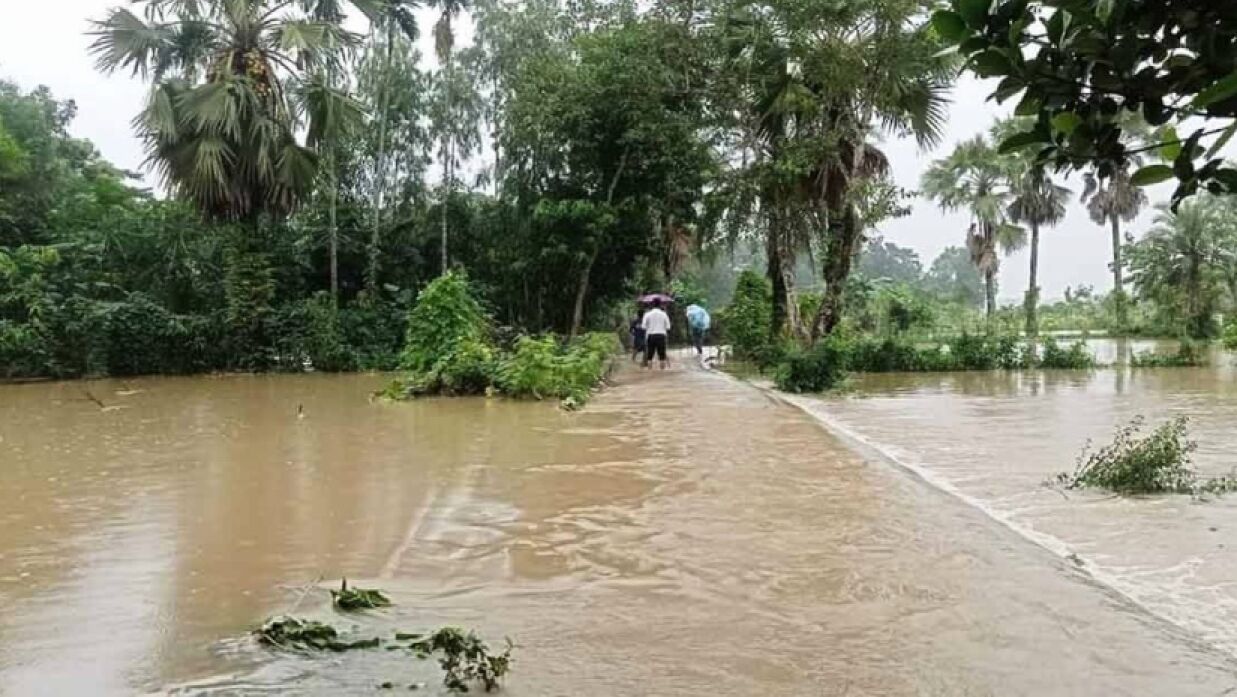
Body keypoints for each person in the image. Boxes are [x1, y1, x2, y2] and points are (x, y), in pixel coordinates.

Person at [641, 299, 671, 369]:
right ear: (660, 305)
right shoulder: (664, 314)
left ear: (652, 305)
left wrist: (650, 326)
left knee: (650, 356)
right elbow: (668, 327)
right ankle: (662, 374)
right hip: (661, 336)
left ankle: (650, 373)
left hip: (651, 336)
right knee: (662, 356)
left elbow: (643, 327)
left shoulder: (647, 314)